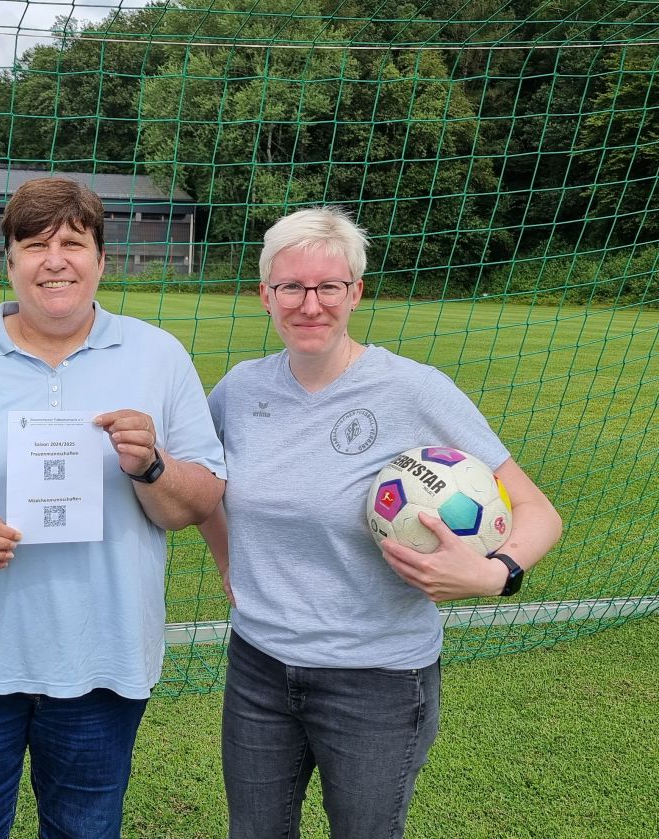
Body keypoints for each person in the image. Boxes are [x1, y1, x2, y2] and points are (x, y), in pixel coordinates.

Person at [198, 206, 563, 839]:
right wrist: (230, 562)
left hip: (377, 682)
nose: (310, 304)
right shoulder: (239, 389)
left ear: (355, 292)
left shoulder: (412, 390)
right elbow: (204, 488)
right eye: (292, 287)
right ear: (265, 295)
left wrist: (492, 575)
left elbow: (538, 511)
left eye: (328, 287)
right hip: (257, 667)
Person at [0, 177, 226, 839]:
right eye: (34, 244)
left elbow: (201, 497)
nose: (55, 259)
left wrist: (152, 465)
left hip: (103, 659)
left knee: (84, 830)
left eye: (74, 242)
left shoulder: (158, 357)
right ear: (9, 260)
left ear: (101, 258)